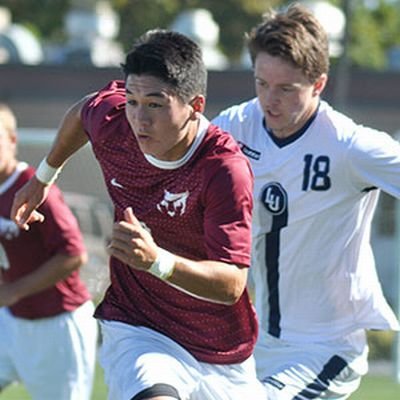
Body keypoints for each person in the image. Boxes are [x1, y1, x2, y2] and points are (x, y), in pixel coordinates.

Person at [10, 30, 265, 399]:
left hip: (219, 350)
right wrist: (44, 179)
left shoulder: (223, 168)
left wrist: (156, 261)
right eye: (132, 101)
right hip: (138, 327)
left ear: (195, 105)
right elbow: (85, 111)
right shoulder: (116, 124)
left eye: (155, 105)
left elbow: (231, 285)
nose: (139, 119)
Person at [211, 3, 400, 399]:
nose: (269, 99)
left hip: (325, 348)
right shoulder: (235, 127)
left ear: (318, 84)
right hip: (255, 343)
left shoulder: (348, 147)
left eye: (285, 88)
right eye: (261, 83)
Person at [0, 103, 98, 400]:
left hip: (57, 325)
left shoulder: (33, 188)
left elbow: (74, 254)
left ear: (13, 140)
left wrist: (14, 291)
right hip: (11, 320)